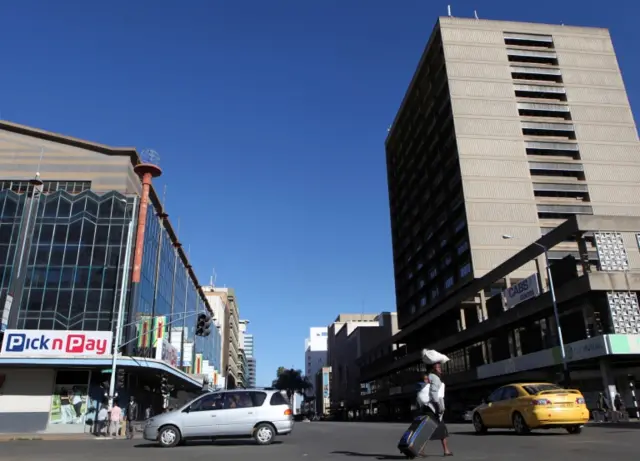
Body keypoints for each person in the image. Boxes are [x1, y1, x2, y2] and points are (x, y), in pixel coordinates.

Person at [422, 362, 453, 457]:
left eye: (440, 367)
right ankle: (420, 449)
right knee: (431, 429)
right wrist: (438, 406)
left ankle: (446, 450)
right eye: (438, 367)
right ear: (434, 369)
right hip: (434, 408)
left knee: (439, 429)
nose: (440, 369)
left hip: (430, 407)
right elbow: (434, 393)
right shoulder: (434, 377)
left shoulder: (429, 377)